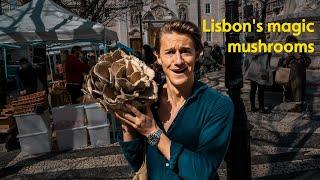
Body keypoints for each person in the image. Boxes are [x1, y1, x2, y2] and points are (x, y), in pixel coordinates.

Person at [116, 20, 234, 179]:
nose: (178, 61)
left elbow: (202, 172)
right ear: (158, 57)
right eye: (170, 52)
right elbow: (137, 161)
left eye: (185, 51)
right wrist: (127, 125)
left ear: (197, 54)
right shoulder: (145, 98)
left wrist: (153, 132)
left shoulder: (218, 105)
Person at [278, 35, 311, 110]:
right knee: (289, 94)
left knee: (297, 94)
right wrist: (287, 60)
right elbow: (279, 64)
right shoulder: (285, 53)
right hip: (287, 78)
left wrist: (298, 57)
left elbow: (308, 61)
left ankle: (298, 107)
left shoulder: (300, 51)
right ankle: (291, 106)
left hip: (298, 78)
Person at [244, 36, 272, 113]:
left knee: (253, 90)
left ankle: (253, 107)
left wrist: (246, 71)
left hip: (252, 72)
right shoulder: (266, 49)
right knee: (261, 91)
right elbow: (269, 61)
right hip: (262, 72)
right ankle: (261, 108)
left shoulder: (251, 49)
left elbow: (246, 61)